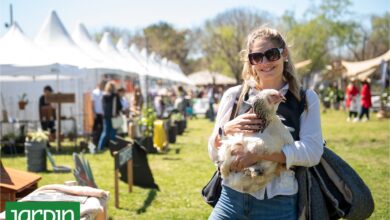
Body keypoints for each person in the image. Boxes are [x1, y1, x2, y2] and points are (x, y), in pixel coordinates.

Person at [208, 27, 324, 219]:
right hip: (230, 199)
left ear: (284, 54)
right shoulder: (234, 96)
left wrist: (259, 154)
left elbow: (312, 152)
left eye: (271, 54)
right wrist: (223, 133)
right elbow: (213, 155)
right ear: (251, 61)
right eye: (256, 57)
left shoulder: (305, 98)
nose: (265, 62)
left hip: (277, 204)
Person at [97, 81, 122, 151]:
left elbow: (103, 107)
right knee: (113, 133)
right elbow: (119, 106)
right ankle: (113, 147)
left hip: (106, 117)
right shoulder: (115, 96)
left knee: (105, 133)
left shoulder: (104, 96)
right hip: (114, 117)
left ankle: (100, 147)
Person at [91, 80, 107, 146]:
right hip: (97, 112)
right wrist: (93, 112)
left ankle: (101, 141)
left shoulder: (104, 92)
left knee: (103, 128)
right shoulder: (95, 92)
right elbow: (93, 103)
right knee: (95, 128)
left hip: (103, 113)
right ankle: (94, 141)